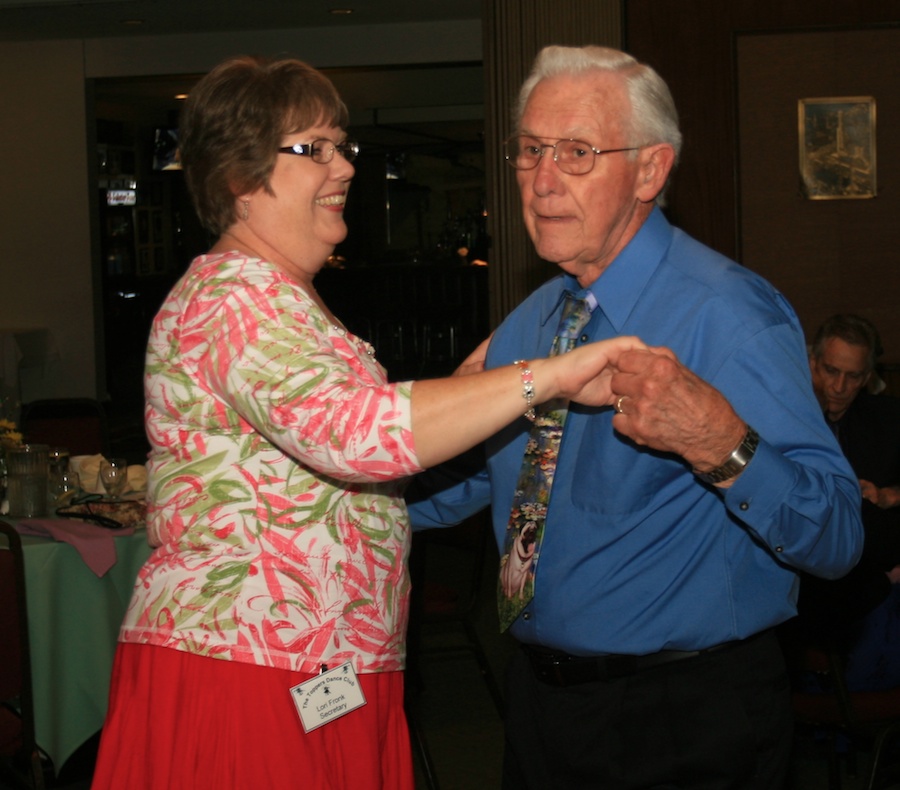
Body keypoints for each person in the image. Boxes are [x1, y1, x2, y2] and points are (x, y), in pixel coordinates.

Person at [89, 55, 644, 790]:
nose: (346, 166)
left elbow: (351, 440)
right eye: (313, 149)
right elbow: (357, 435)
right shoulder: (234, 299)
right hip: (247, 666)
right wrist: (552, 376)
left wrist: (471, 387)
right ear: (238, 179)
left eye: (341, 144)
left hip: (316, 664)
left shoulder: (282, 299)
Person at [407, 45, 863, 789]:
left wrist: (723, 444)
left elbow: (840, 535)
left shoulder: (728, 316)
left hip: (683, 718)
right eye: (530, 150)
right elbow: (468, 483)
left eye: (577, 153)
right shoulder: (530, 326)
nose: (542, 179)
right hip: (539, 706)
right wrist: (330, 491)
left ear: (651, 170)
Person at [795, 314, 900, 690]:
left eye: (853, 376)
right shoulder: (789, 420)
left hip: (875, 571)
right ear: (812, 364)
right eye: (830, 370)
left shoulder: (887, 420)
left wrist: (889, 496)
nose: (839, 386)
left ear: (868, 376)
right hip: (809, 581)